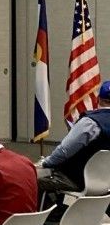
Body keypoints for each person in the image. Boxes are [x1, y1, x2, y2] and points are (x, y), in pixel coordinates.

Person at [37, 81, 110, 210]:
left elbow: (64, 151)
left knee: (31, 180)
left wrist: (45, 163)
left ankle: (47, 217)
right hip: (106, 182)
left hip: (75, 179)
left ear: (97, 99)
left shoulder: (90, 122)